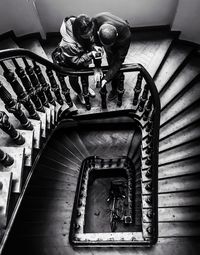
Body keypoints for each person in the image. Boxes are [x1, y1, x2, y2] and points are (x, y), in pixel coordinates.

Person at [52, 14, 103, 108]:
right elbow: (75, 62)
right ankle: (79, 93)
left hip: (82, 57)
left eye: (91, 32)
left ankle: (86, 88)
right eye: (88, 35)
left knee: (85, 74)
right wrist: (90, 54)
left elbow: (87, 42)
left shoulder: (80, 25)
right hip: (70, 63)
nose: (91, 36)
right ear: (79, 34)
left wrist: (93, 47)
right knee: (74, 79)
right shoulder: (68, 44)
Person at [92, 12, 131, 102]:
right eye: (105, 45)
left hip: (118, 44)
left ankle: (115, 89)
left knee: (114, 65)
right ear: (98, 33)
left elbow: (119, 61)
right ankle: (112, 72)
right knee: (109, 59)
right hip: (107, 40)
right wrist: (97, 67)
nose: (107, 48)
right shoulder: (96, 20)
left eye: (109, 45)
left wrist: (106, 78)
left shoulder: (126, 34)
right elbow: (96, 44)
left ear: (116, 35)